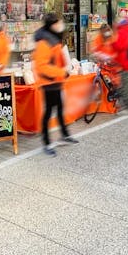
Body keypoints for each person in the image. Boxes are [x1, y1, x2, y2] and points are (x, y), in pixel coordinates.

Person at [33, 13, 78, 156]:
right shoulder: (44, 42)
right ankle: (46, 143)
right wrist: (61, 71)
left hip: (56, 80)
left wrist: (65, 70)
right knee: (48, 113)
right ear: (52, 25)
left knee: (59, 108)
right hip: (48, 82)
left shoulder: (54, 39)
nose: (61, 25)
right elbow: (42, 66)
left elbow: (57, 59)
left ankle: (64, 135)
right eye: (58, 23)